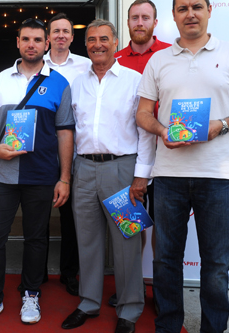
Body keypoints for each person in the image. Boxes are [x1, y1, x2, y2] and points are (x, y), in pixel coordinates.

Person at [136, 0, 229, 333]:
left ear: (210, 10)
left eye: (196, 6)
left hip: (218, 175)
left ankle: (214, 328)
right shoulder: (158, 60)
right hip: (168, 176)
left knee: (216, 264)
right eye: (182, 8)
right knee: (165, 261)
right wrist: (163, 130)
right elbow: (143, 115)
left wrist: (220, 125)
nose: (190, 13)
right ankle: (167, 326)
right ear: (174, 17)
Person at [0, 18, 74, 328]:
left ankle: (31, 293)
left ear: (46, 44)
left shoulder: (59, 83)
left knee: (36, 238)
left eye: (37, 40)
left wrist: (64, 177)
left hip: (42, 174)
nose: (31, 44)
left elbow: (65, 132)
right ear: (18, 42)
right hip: (3, 174)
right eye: (26, 39)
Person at [61, 19, 155, 333]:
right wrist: (70, 173)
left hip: (123, 169)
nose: (97, 44)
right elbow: (72, 131)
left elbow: (146, 134)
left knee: (127, 239)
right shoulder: (76, 82)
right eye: (91, 40)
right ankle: (88, 302)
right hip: (85, 169)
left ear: (115, 42)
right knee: (86, 239)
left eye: (104, 39)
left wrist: (141, 177)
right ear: (84, 45)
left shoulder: (135, 80)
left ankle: (129, 309)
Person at [108, 0, 171, 308]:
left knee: (163, 227)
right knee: (131, 225)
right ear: (128, 22)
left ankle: (160, 291)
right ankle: (130, 289)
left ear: (155, 22)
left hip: (171, 156)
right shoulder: (115, 60)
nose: (140, 22)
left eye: (146, 17)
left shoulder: (172, 55)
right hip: (130, 160)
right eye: (135, 17)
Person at [43, 12, 91, 296]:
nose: (61, 35)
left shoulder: (85, 66)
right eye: (56, 31)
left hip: (77, 154)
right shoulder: (37, 64)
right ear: (48, 37)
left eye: (66, 31)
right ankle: (36, 271)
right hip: (43, 152)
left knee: (72, 219)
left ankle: (68, 272)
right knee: (38, 215)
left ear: (73, 37)